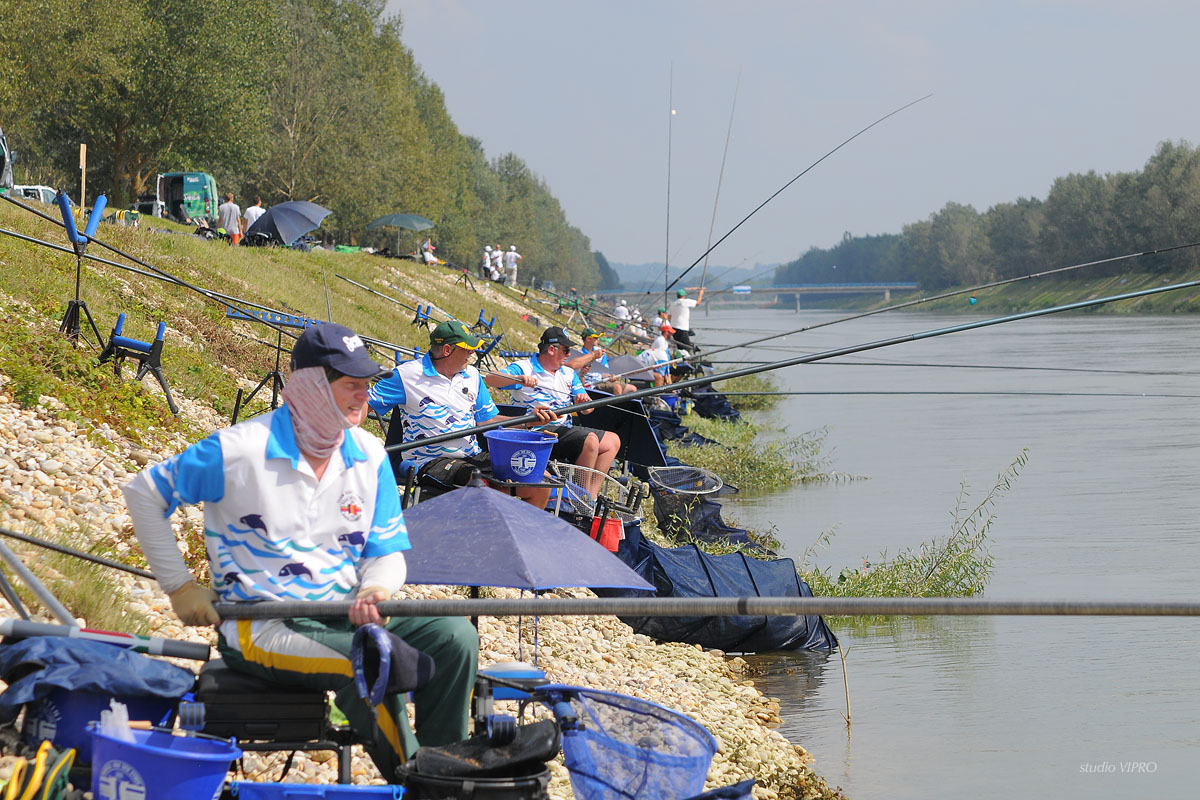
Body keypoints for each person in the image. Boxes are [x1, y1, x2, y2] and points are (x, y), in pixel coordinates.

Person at [122, 323, 478, 779]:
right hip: (260, 626)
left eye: (367, 384)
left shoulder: (370, 454)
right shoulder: (239, 449)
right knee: (367, 659)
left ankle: (448, 767)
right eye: (352, 385)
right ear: (311, 385)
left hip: (345, 614)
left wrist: (375, 589)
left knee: (455, 637)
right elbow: (144, 493)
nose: (365, 396)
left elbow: (386, 550)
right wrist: (179, 586)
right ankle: (423, 783)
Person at [368, 320, 557, 507]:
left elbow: (488, 421)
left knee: (540, 480)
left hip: (472, 455)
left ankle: (519, 526)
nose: (472, 353)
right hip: (429, 461)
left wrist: (527, 421)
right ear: (447, 350)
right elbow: (363, 404)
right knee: (482, 483)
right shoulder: (406, 375)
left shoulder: (473, 375)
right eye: (467, 348)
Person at [489, 327, 621, 498]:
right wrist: (519, 379)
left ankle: (591, 497)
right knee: (590, 441)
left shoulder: (568, 373)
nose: (569, 354)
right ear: (551, 349)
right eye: (566, 350)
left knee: (613, 441)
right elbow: (491, 379)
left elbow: (588, 409)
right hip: (535, 431)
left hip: (563, 430)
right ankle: (580, 498)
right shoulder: (524, 368)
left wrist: (583, 403)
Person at [565, 328, 632, 395]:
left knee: (631, 388)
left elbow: (604, 371)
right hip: (590, 385)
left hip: (602, 381)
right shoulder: (578, 356)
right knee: (617, 387)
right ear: (588, 339)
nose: (598, 339)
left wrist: (611, 376)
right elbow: (578, 375)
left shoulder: (600, 352)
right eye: (596, 338)